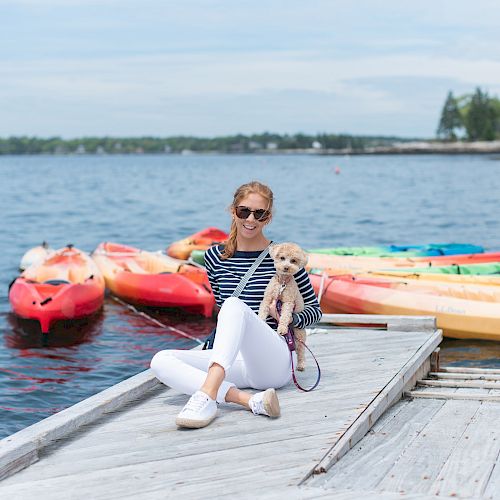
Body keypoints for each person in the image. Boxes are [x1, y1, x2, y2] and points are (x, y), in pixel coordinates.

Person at [150, 181, 322, 428]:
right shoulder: (214, 257)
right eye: (244, 211)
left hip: (273, 360)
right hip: (234, 363)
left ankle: (207, 397)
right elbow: (222, 310)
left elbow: (315, 312)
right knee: (160, 360)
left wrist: (291, 318)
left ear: (268, 218)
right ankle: (249, 400)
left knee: (232, 305)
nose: (250, 219)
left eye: (259, 214)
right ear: (233, 211)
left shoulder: (284, 256)